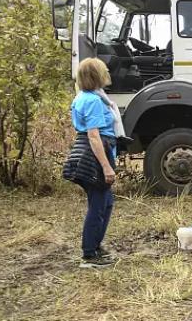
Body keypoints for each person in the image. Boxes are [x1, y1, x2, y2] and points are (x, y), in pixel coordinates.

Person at [71, 58, 118, 268]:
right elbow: (93, 136)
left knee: (105, 203)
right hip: (95, 157)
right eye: (103, 71)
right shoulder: (92, 101)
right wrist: (106, 166)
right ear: (96, 75)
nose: (107, 73)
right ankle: (89, 254)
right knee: (98, 206)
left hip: (93, 154)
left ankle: (95, 247)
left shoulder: (84, 96)